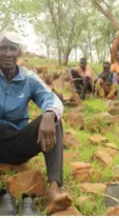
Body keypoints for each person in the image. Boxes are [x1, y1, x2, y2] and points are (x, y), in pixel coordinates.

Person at [0, 33, 72, 215]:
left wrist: (48, 115)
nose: (7, 53)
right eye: (3, 48)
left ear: (19, 53)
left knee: (54, 121)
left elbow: (52, 99)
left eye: (12, 48)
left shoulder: (29, 78)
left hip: (19, 142)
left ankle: (54, 188)